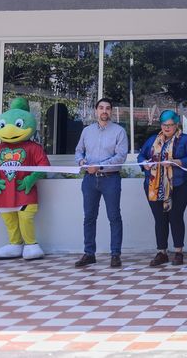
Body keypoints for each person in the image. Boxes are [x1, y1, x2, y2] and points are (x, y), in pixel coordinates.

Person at [138, 109, 187, 267]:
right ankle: (162, 252)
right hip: (154, 185)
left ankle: (178, 252)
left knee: (175, 216)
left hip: (179, 184)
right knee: (160, 219)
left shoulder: (186, 140)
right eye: (164, 125)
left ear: (176, 124)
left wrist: (176, 162)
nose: (167, 128)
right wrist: (144, 163)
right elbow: (141, 155)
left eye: (170, 125)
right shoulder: (153, 139)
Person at [74, 98, 128, 268]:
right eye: (101, 108)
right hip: (89, 180)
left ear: (111, 111)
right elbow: (78, 151)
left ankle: (115, 255)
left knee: (114, 217)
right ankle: (89, 254)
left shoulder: (119, 131)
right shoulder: (87, 131)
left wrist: (100, 166)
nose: (104, 111)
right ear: (96, 111)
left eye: (108, 108)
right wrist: (82, 162)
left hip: (110, 179)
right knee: (89, 217)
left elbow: (121, 156)